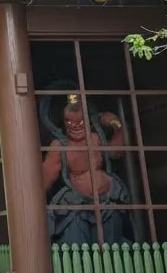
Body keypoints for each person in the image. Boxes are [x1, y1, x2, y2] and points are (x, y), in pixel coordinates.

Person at [40, 86, 130, 245]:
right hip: (76, 208)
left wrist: (117, 125)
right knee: (76, 247)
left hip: (107, 203)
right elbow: (46, 177)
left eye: (80, 122)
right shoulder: (60, 146)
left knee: (113, 248)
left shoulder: (96, 138)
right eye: (70, 122)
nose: (75, 126)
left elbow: (116, 152)